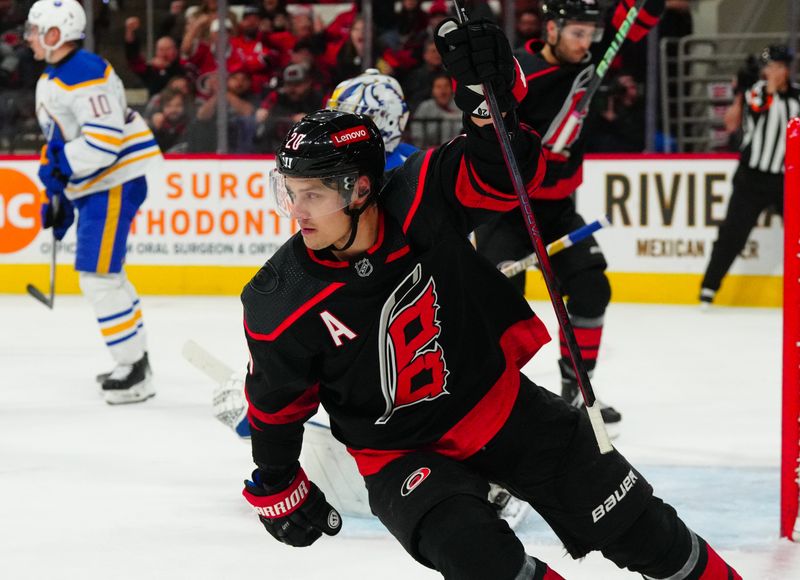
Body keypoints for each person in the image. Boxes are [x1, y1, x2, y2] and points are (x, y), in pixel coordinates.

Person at [238, 18, 741, 580]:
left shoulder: (419, 193)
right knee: (488, 565)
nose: (297, 211)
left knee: (650, 534)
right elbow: (275, 406)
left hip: (507, 409)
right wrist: (278, 487)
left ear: (359, 188)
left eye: (313, 194)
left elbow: (502, 172)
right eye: (290, 192)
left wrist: (489, 104)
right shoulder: (280, 296)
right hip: (402, 457)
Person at [474, 0, 664, 428]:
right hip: (505, 210)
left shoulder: (590, 60)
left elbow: (633, 21)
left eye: (589, 35)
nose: (585, 43)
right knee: (497, 303)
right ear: (552, 30)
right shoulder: (519, 74)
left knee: (592, 286)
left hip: (558, 210)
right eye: (576, 33)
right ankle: (495, 398)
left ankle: (577, 392)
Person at [26, 0, 162, 404]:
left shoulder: (84, 73)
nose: (29, 37)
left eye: (36, 30)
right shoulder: (59, 73)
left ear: (55, 34)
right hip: (101, 185)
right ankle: (136, 360)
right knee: (108, 275)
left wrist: (60, 169)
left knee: (98, 277)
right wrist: (60, 193)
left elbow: (103, 143)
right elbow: (62, 138)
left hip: (113, 182)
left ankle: (134, 370)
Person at [700, 45, 800, 307]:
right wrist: (770, 84)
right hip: (751, 178)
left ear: (786, 69)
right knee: (733, 234)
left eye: (777, 67)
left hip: (785, 179)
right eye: (768, 67)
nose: (771, 72)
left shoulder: (797, 97)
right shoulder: (757, 92)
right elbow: (758, 107)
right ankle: (708, 289)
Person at [327, 68, 417, 170]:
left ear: (389, 119)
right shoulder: (332, 158)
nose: (343, 127)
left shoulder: (412, 165)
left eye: (355, 120)